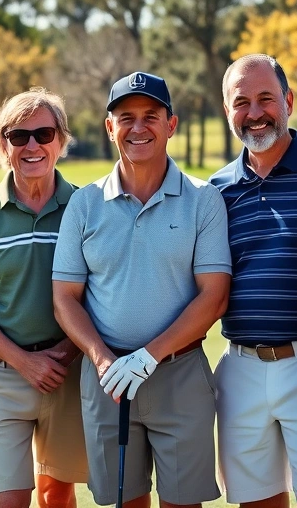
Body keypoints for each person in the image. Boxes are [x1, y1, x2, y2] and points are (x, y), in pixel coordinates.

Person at [53, 71, 232, 508]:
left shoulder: (202, 198)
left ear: (171, 124)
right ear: (109, 127)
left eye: (151, 116)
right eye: (126, 117)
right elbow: (64, 298)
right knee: (122, 501)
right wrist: (102, 359)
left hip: (179, 374)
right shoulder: (85, 203)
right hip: (107, 378)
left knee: (182, 502)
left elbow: (214, 296)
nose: (138, 127)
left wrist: (147, 357)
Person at [209, 55, 297, 508]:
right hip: (239, 368)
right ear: (227, 111)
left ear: (287, 100)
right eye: (241, 102)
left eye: (266, 98)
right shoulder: (216, 190)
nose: (254, 113)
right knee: (255, 501)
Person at [0, 88, 87, 508]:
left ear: (61, 142)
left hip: (69, 371)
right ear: (2, 145)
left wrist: (65, 352)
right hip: (2, 375)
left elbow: (100, 293)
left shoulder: (86, 206)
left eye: (44, 134)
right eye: (17, 136)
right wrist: (23, 362)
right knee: (8, 500)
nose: (32, 145)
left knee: (57, 495)